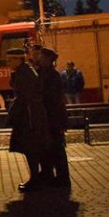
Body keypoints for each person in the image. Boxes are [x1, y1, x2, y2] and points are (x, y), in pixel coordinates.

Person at [5, 48, 50, 193]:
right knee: (32, 148)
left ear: (18, 59)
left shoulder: (24, 73)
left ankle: (36, 179)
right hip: (30, 116)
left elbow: (24, 96)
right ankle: (37, 177)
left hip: (30, 118)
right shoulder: (23, 71)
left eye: (10, 60)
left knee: (31, 148)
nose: (8, 63)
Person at [36, 48, 71, 189]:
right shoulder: (42, 72)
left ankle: (62, 178)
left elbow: (51, 97)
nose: (39, 58)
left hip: (53, 117)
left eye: (42, 56)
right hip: (48, 116)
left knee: (57, 148)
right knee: (47, 147)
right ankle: (48, 174)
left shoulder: (53, 75)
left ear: (48, 59)